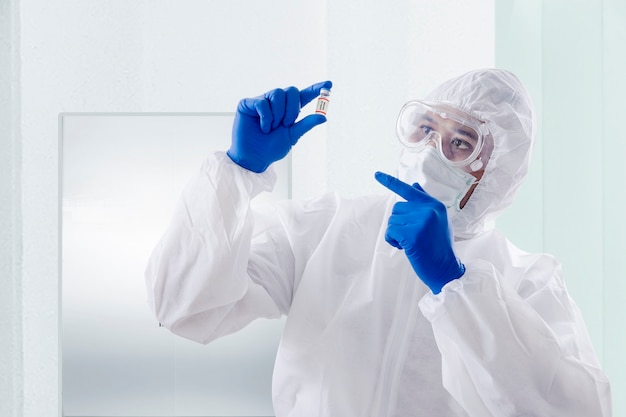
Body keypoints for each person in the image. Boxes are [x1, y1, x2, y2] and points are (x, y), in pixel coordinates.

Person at [145, 68, 612, 416]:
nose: (433, 151)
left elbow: (575, 410)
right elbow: (184, 308)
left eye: (461, 142)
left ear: (497, 170)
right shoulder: (328, 228)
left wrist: (457, 286)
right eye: (427, 128)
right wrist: (237, 172)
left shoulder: (527, 280)